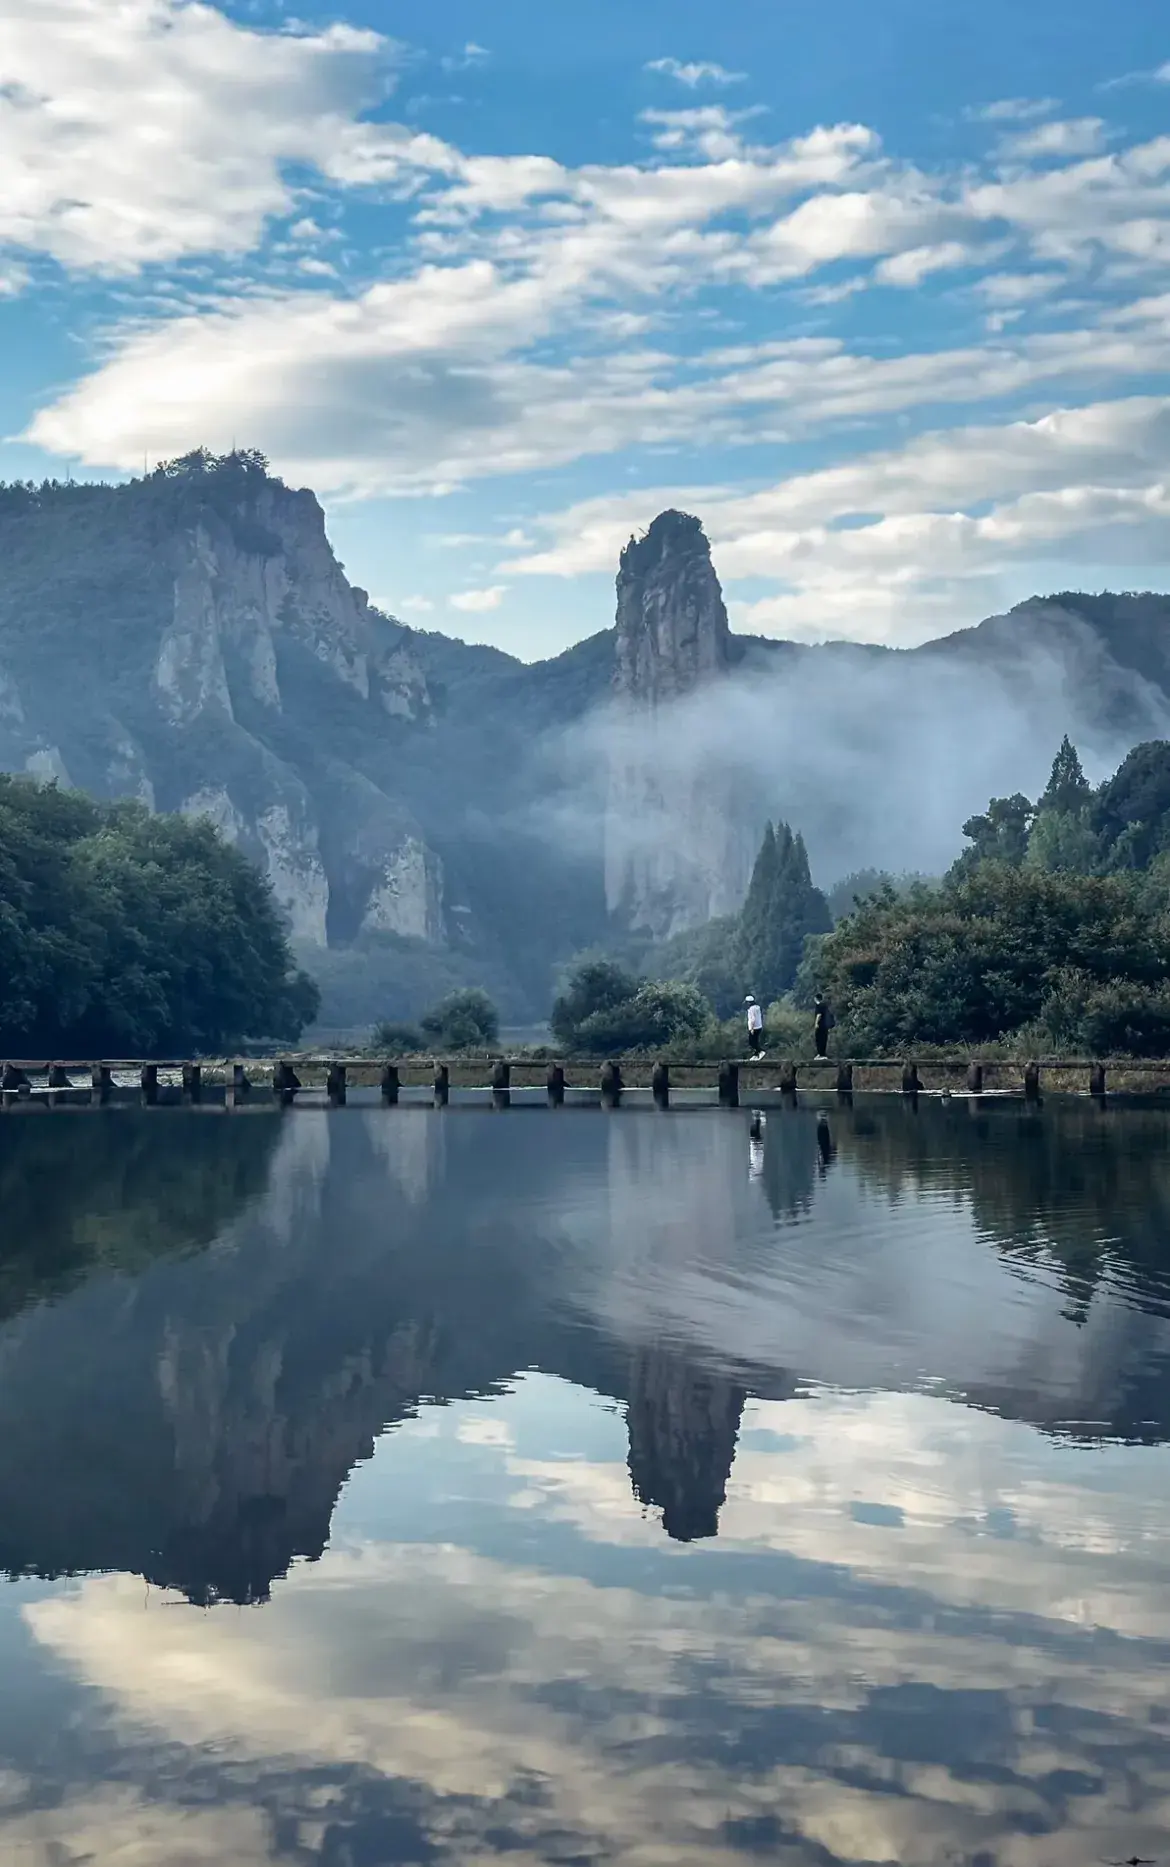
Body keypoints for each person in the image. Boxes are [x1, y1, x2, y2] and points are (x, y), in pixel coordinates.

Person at [813, 993, 833, 1059]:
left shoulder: (819, 1005)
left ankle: (820, 1054)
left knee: (818, 1040)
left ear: (815, 998)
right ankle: (823, 1054)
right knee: (824, 1040)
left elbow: (819, 1015)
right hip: (825, 1026)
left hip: (820, 1026)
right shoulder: (825, 1006)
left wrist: (816, 1023)